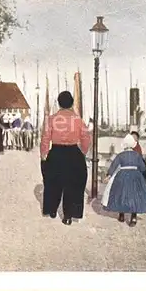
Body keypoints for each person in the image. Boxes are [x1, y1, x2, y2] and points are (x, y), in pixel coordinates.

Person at [40, 91, 91, 225]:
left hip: (56, 153)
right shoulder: (78, 120)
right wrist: (83, 153)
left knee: (53, 183)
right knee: (72, 185)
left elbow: (45, 138)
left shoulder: (51, 119)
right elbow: (86, 138)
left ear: (59, 103)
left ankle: (52, 210)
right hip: (73, 153)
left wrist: (44, 155)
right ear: (72, 103)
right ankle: (68, 216)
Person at [101, 134, 146, 227]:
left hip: (122, 175)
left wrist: (109, 175)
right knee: (134, 196)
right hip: (135, 175)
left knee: (121, 194)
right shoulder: (137, 155)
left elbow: (114, 166)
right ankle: (133, 217)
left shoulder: (121, 155)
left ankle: (121, 215)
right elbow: (143, 167)